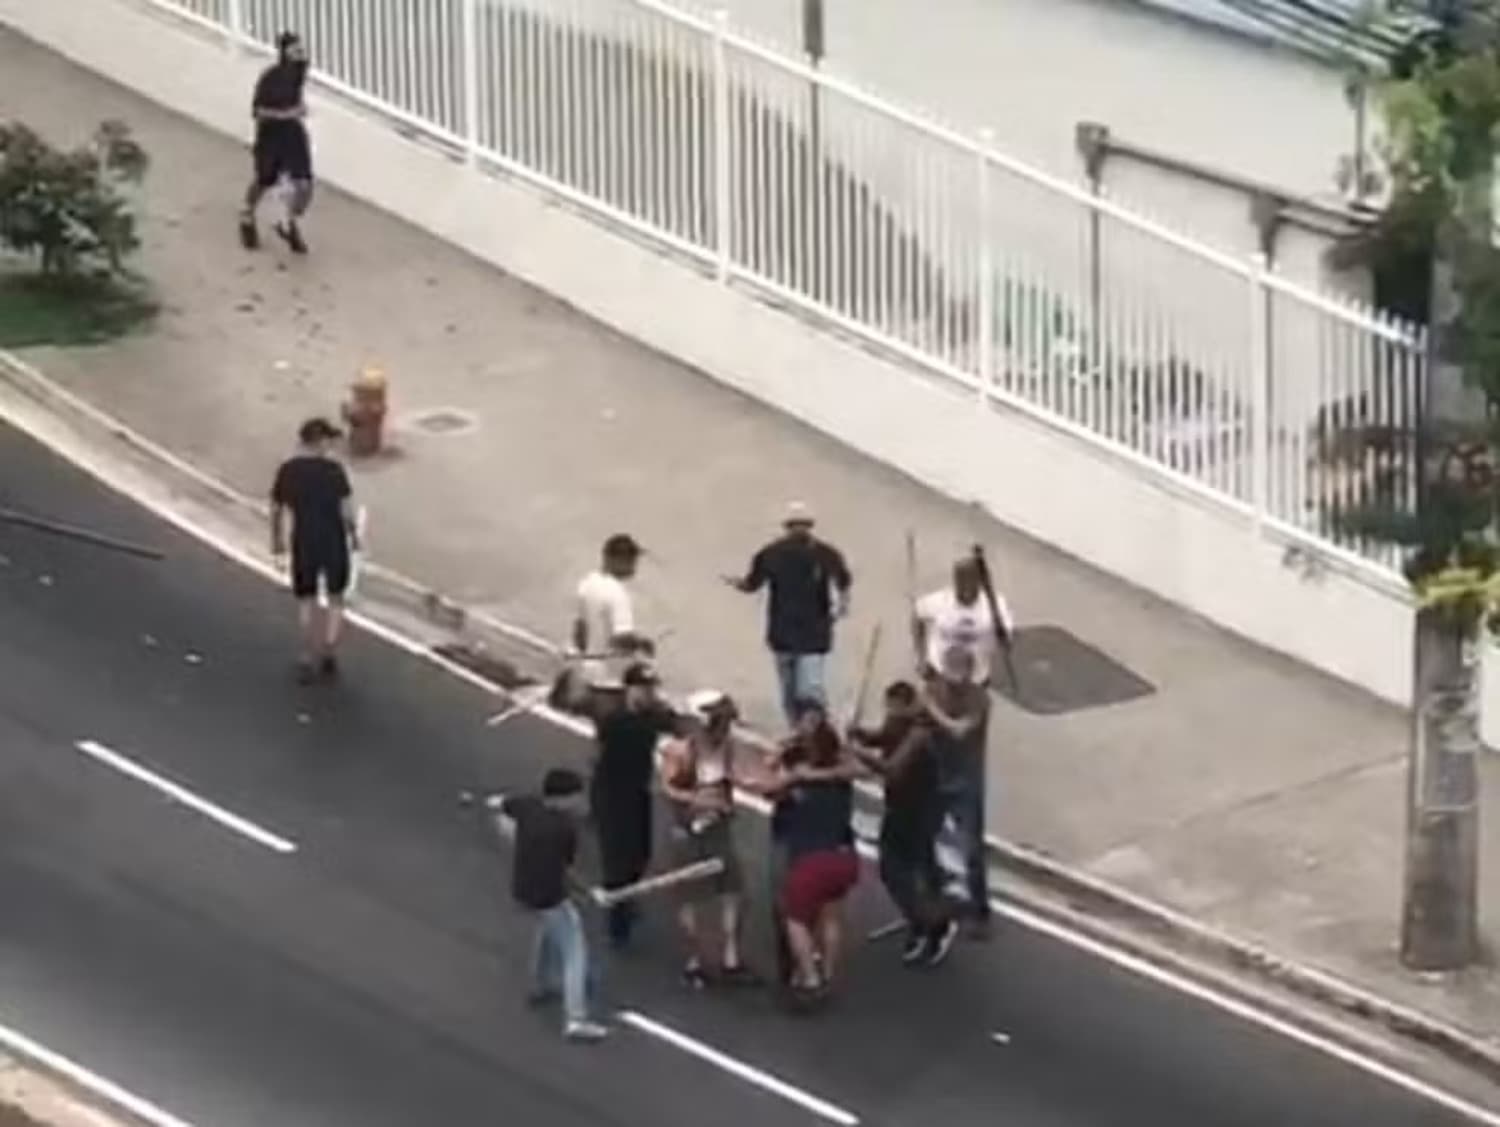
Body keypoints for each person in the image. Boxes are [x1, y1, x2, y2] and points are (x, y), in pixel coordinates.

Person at [850, 681, 957, 966]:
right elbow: (884, 737)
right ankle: (924, 914)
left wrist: (858, 754)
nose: (891, 714)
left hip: (920, 808)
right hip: (900, 805)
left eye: (895, 709)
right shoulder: (898, 722)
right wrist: (861, 735)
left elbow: (892, 769)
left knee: (901, 867)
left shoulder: (922, 733)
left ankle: (933, 923)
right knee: (908, 866)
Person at [501, 768, 608, 1043]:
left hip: (522, 889)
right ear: (562, 799)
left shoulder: (528, 805)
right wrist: (591, 893)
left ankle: (540, 984)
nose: (580, 803)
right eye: (575, 797)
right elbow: (566, 871)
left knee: (548, 930)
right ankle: (576, 1018)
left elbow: (503, 805)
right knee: (574, 950)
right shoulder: (563, 830)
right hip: (550, 894)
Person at [725, 502, 852, 728]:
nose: (799, 529)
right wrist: (738, 584)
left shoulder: (824, 554)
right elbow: (753, 582)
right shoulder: (771, 554)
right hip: (783, 632)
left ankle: (819, 732)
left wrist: (842, 604)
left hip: (814, 632)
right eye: (795, 525)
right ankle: (797, 732)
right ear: (788, 527)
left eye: (803, 525)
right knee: (789, 692)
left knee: (809, 689)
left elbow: (843, 580)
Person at [659, 690, 754, 988]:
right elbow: (669, 790)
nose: (725, 728)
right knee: (690, 899)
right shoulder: (681, 750)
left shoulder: (725, 748)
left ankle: (731, 958)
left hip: (718, 831)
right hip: (688, 834)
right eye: (721, 721)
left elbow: (734, 777)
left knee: (734, 892)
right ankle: (695, 961)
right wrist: (700, 802)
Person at [768, 700, 860, 1000]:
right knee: (830, 916)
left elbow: (771, 786)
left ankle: (808, 976)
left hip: (808, 856)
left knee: (793, 916)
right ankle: (827, 974)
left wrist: (795, 774)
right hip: (843, 854)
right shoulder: (839, 772)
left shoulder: (799, 774)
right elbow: (852, 768)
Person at [588, 662, 677, 950]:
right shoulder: (615, 720)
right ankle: (618, 924)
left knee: (641, 854)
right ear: (630, 689)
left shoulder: (652, 716)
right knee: (617, 859)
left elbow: (674, 722)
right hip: (612, 794)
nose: (649, 693)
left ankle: (627, 899)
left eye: (651, 688)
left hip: (638, 792)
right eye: (643, 688)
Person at [270, 417, 360, 683]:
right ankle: (329, 650)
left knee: (306, 599)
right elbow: (346, 510)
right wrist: (354, 536)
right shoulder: (334, 471)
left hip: (304, 541)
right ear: (320, 442)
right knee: (335, 598)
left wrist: (277, 541)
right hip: (332, 541)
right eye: (328, 441)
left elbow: (277, 509)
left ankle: (307, 653)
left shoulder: (288, 471)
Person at [921, 647, 993, 937]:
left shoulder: (979, 699)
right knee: (927, 841)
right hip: (936, 777)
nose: (952, 684)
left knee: (971, 847)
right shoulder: (932, 691)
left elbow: (960, 730)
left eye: (958, 678)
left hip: (966, 782)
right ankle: (935, 903)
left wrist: (929, 707)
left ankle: (980, 911)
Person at [559, 534, 655, 713]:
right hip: (610, 681)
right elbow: (621, 639)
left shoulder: (587, 583)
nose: (634, 565)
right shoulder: (618, 595)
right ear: (616, 560)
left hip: (587, 674)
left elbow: (580, 630)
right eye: (630, 559)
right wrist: (642, 643)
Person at [240, 31, 315, 255]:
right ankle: (247, 213)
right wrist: (289, 113)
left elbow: (296, 95)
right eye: (295, 51)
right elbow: (259, 111)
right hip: (271, 136)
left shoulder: (299, 72)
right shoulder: (270, 78)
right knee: (264, 180)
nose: (301, 54)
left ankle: (287, 220)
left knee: (304, 184)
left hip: (293, 134)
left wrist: (299, 108)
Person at [912, 554, 1014, 689]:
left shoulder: (996, 604)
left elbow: (1006, 643)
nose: (963, 585)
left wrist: (998, 624)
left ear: (979, 581)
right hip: (939, 673)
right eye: (959, 579)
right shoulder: (940, 600)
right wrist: (920, 656)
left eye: (969, 580)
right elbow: (917, 616)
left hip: (976, 679)